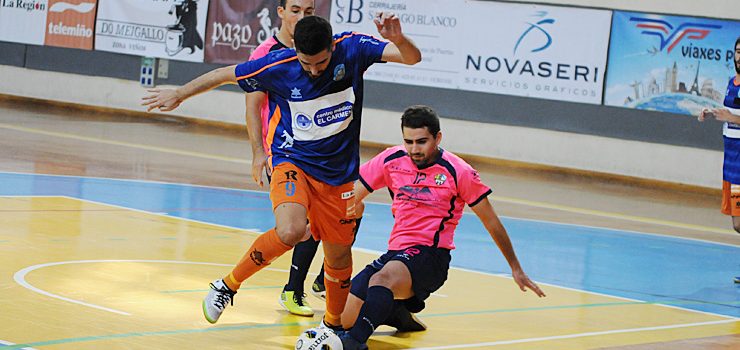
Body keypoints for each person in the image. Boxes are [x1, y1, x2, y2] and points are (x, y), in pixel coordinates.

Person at [142, 14, 421, 328]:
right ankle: (227, 285)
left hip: (338, 175)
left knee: (338, 257)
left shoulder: (353, 48)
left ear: (332, 46)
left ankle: (330, 328)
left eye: (321, 63)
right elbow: (223, 74)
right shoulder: (278, 65)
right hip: (293, 161)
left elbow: (412, 58)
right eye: (306, 64)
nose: (314, 70)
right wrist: (180, 94)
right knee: (290, 230)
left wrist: (397, 37)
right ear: (296, 53)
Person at [337, 105, 546, 349]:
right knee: (346, 318)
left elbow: (492, 222)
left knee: (381, 281)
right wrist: (317, 224)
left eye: (421, 141)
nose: (414, 149)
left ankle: (355, 343)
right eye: (408, 142)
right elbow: (351, 199)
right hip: (397, 253)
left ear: (437, 138)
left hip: (431, 257)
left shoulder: (459, 171)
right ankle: (395, 312)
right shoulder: (391, 160)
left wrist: (516, 268)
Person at [244, 0, 324, 318]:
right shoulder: (264, 54)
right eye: (295, 10)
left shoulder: (321, 46)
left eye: (308, 11)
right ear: (280, 12)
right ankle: (293, 289)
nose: (302, 17)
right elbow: (252, 106)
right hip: (285, 149)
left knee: (347, 210)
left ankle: (320, 279)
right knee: (301, 221)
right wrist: (256, 154)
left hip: (319, 148)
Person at [699, 36, 740, 284]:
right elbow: (732, 113)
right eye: (737, 50)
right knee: (737, 223)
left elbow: (735, 117)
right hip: (732, 159)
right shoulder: (730, 83)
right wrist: (714, 113)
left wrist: (731, 118)